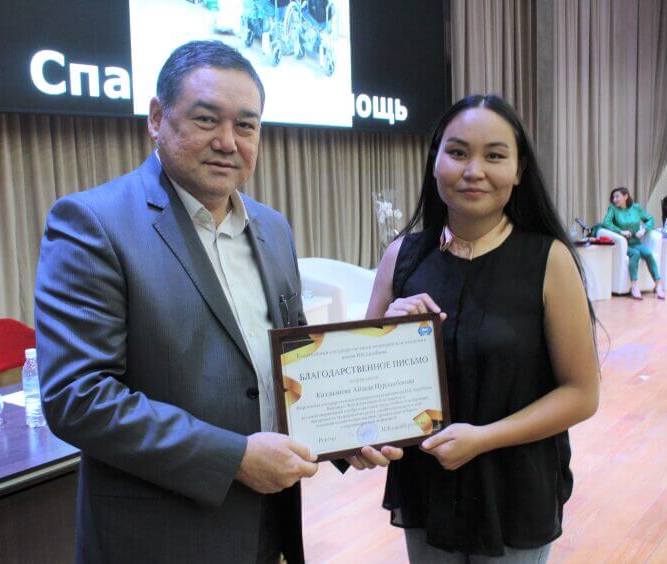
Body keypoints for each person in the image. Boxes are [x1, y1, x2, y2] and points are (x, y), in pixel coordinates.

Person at [34, 40, 396, 564]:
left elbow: (294, 361)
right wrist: (234, 458)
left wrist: (342, 434)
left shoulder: (272, 228)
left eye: (246, 126)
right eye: (206, 119)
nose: (228, 142)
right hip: (161, 536)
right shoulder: (94, 224)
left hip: (269, 525)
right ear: (156, 119)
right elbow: (78, 397)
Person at [365, 94, 600, 562]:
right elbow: (362, 379)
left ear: (518, 170)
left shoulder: (548, 260)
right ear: (435, 161)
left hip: (515, 486)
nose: (474, 170)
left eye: (494, 156)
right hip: (427, 485)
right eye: (457, 152)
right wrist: (387, 333)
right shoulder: (402, 257)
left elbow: (581, 394)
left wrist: (484, 438)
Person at [602, 187, 665, 300]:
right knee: (635, 254)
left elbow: (650, 219)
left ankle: (658, 285)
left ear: (626, 196)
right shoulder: (613, 209)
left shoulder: (636, 208)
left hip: (636, 242)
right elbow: (606, 223)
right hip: (623, 244)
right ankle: (634, 286)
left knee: (648, 254)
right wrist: (620, 231)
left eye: (617, 196)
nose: (614, 199)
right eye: (613, 197)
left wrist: (644, 229)